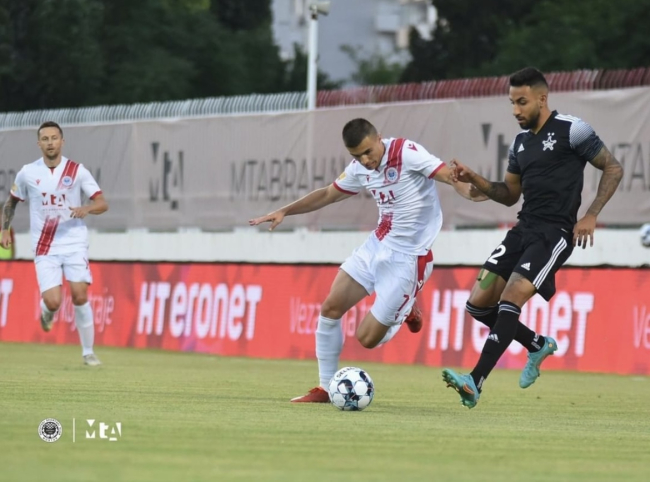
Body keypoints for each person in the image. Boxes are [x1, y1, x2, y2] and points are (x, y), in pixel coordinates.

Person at [249, 118, 486, 402]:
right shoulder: (359, 168)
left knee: (366, 339)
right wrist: (285, 211)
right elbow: (327, 194)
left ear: (379, 138)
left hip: (409, 259)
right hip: (377, 245)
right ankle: (325, 388)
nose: (364, 160)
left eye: (367, 152)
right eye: (356, 156)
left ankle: (405, 312)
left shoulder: (406, 152)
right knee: (330, 308)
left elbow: (449, 177)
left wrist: (477, 191)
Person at [443, 67, 623, 408]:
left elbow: (613, 167)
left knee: (511, 298)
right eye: (512, 103)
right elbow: (509, 194)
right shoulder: (520, 143)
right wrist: (475, 178)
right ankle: (537, 344)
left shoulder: (573, 129)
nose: (515, 110)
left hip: (554, 233)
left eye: (521, 102)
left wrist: (591, 214)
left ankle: (475, 381)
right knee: (477, 305)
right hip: (522, 229)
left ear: (542, 98)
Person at [0, 121, 109, 366]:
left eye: (54, 138)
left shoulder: (77, 171)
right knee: (54, 301)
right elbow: (11, 202)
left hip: (74, 242)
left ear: (62, 141)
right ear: (39, 144)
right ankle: (47, 311)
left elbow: (102, 203)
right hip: (45, 246)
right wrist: (4, 230)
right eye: (45, 139)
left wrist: (86, 209)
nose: (50, 143)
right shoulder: (28, 172)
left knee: (79, 295)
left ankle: (88, 352)